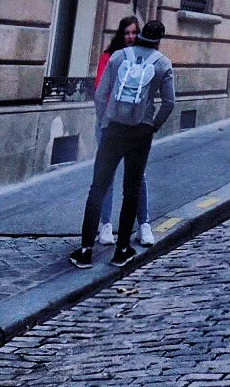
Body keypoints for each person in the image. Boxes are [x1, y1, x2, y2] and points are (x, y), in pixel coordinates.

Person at [71, 19, 174, 268]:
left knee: (98, 187)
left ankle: (85, 250)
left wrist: (105, 121)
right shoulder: (162, 64)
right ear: (158, 40)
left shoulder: (118, 57)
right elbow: (169, 103)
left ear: (141, 35)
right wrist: (153, 126)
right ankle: (122, 249)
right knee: (132, 189)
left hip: (113, 129)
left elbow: (100, 95)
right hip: (141, 131)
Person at [92, 16, 155, 247]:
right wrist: (106, 120)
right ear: (121, 34)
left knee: (138, 176)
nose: (130, 36)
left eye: (134, 33)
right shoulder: (110, 57)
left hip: (135, 126)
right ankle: (106, 225)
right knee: (107, 174)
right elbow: (100, 90)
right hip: (110, 124)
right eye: (127, 33)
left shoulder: (146, 58)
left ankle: (144, 225)